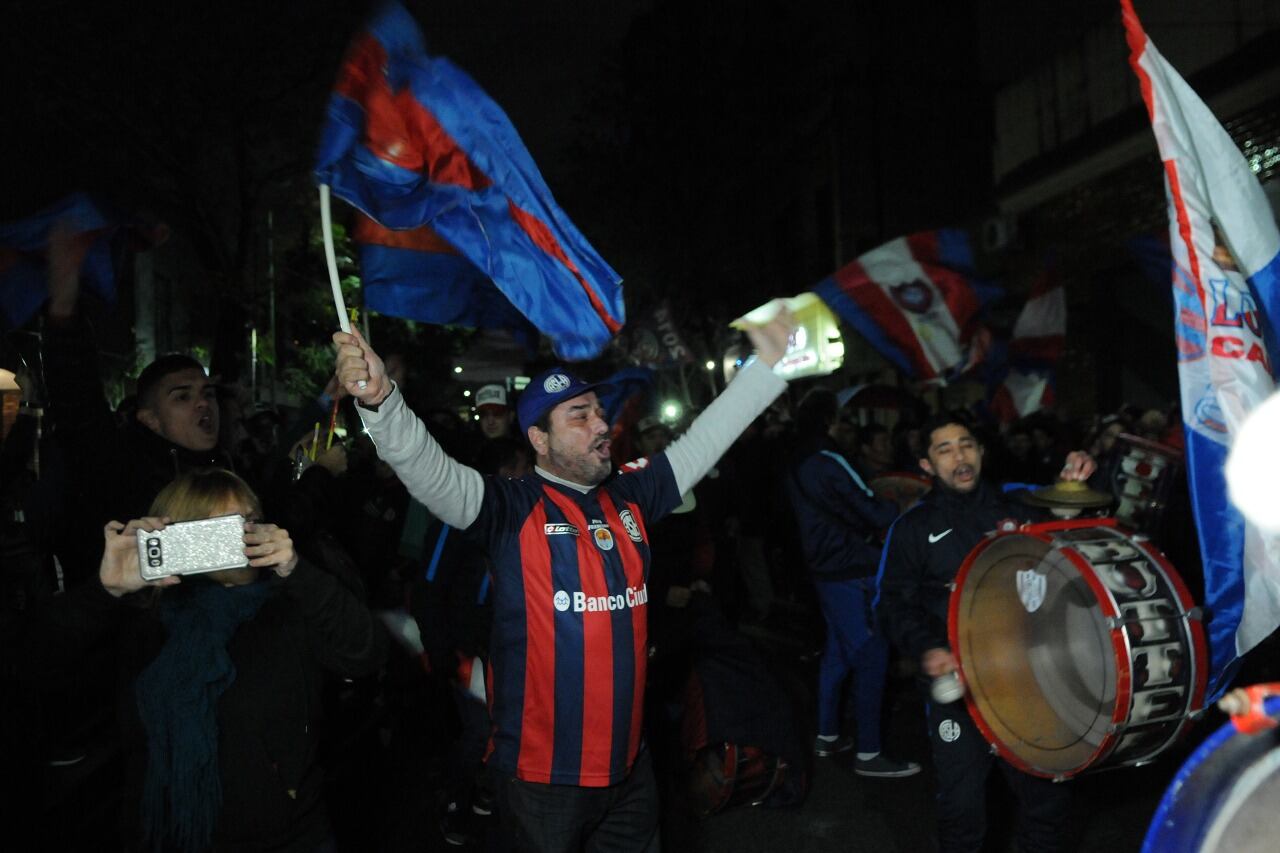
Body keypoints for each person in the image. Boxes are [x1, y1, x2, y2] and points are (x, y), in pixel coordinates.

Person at [333, 312, 793, 853]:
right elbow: (428, 468)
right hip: (542, 784)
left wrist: (766, 367)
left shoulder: (632, 495)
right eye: (580, 416)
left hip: (630, 771)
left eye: (598, 411)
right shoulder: (508, 508)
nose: (601, 424)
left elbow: (704, 441)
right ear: (539, 439)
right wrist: (382, 402)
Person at [13, 468, 388, 851]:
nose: (244, 534)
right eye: (225, 526)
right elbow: (34, 662)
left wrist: (298, 571)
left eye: (251, 521)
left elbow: (365, 653)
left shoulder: (288, 605)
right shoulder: (146, 620)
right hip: (160, 837)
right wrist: (104, 591)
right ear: (179, 533)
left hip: (286, 839)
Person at [875, 414, 1095, 853]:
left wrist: (1077, 481)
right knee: (962, 809)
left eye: (966, 444)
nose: (960, 457)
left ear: (981, 451)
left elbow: (1077, 530)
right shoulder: (913, 528)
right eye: (945, 449)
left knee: (1047, 804)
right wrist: (929, 648)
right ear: (926, 464)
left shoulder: (1020, 505)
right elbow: (889, 605)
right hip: (959, 694)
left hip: (1029, 686)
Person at [786, 389, 919, 777]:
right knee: (872, 653)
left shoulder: (796, 460)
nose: (845, 428)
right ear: (829, 421)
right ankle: (869, 753)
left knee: (838, 653)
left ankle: (827, 735)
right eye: (841, 420)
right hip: (852, 568)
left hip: (825, 568)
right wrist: (902, 506)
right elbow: (871, 509)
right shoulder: (829, 459)